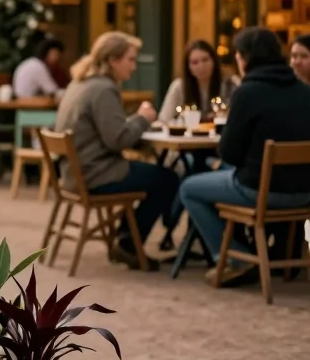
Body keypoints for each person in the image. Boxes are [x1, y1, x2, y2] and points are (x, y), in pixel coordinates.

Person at [179, 27, 310, 286]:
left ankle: (237, 259)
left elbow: (229, 152)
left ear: (244, 58)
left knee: (189, 187)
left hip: (260, 192)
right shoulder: (305, 91)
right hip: (306, 192)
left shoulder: (247, 93)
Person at [54, 31, 176, 270]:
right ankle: (128, 243)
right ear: (112, 60)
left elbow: (108, 130)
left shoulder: (81, 83)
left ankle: (125, 235)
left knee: (158, 176)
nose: (134, 66)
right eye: (130, 59)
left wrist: (135, 123)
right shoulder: (103, 89)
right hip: (97, 174)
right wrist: (142, 119)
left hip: (74, 174)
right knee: (168, 180)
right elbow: (117, 140)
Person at [158, 39, 239, 122]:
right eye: (195, 62)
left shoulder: (231, 83)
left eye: (205, 60)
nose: (201, 66)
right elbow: (164, 119)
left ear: (214, 61)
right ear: (188, 67)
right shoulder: (179, 86)